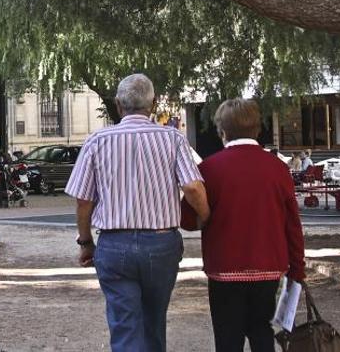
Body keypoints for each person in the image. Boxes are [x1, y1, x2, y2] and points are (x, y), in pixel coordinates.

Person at [65, 73, 210, 352]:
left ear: (119, 105)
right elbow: (192, 187)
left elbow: (84, 201)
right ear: (152, 104)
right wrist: (206, 218)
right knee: (154, 321)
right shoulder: (173, 139)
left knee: (124, 325)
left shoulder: (97, 141)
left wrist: (85, 243)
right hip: (161, 243)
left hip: (114, 244)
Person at [196, 98, 306, 352]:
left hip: (224, 268)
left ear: (222, 131)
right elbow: (292, 225)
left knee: (227, 336)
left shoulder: (209, 169)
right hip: (268, 267)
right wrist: (297, 269)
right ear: (257, 129)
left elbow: (189, 219)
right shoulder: (278, 169)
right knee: (261, 331)